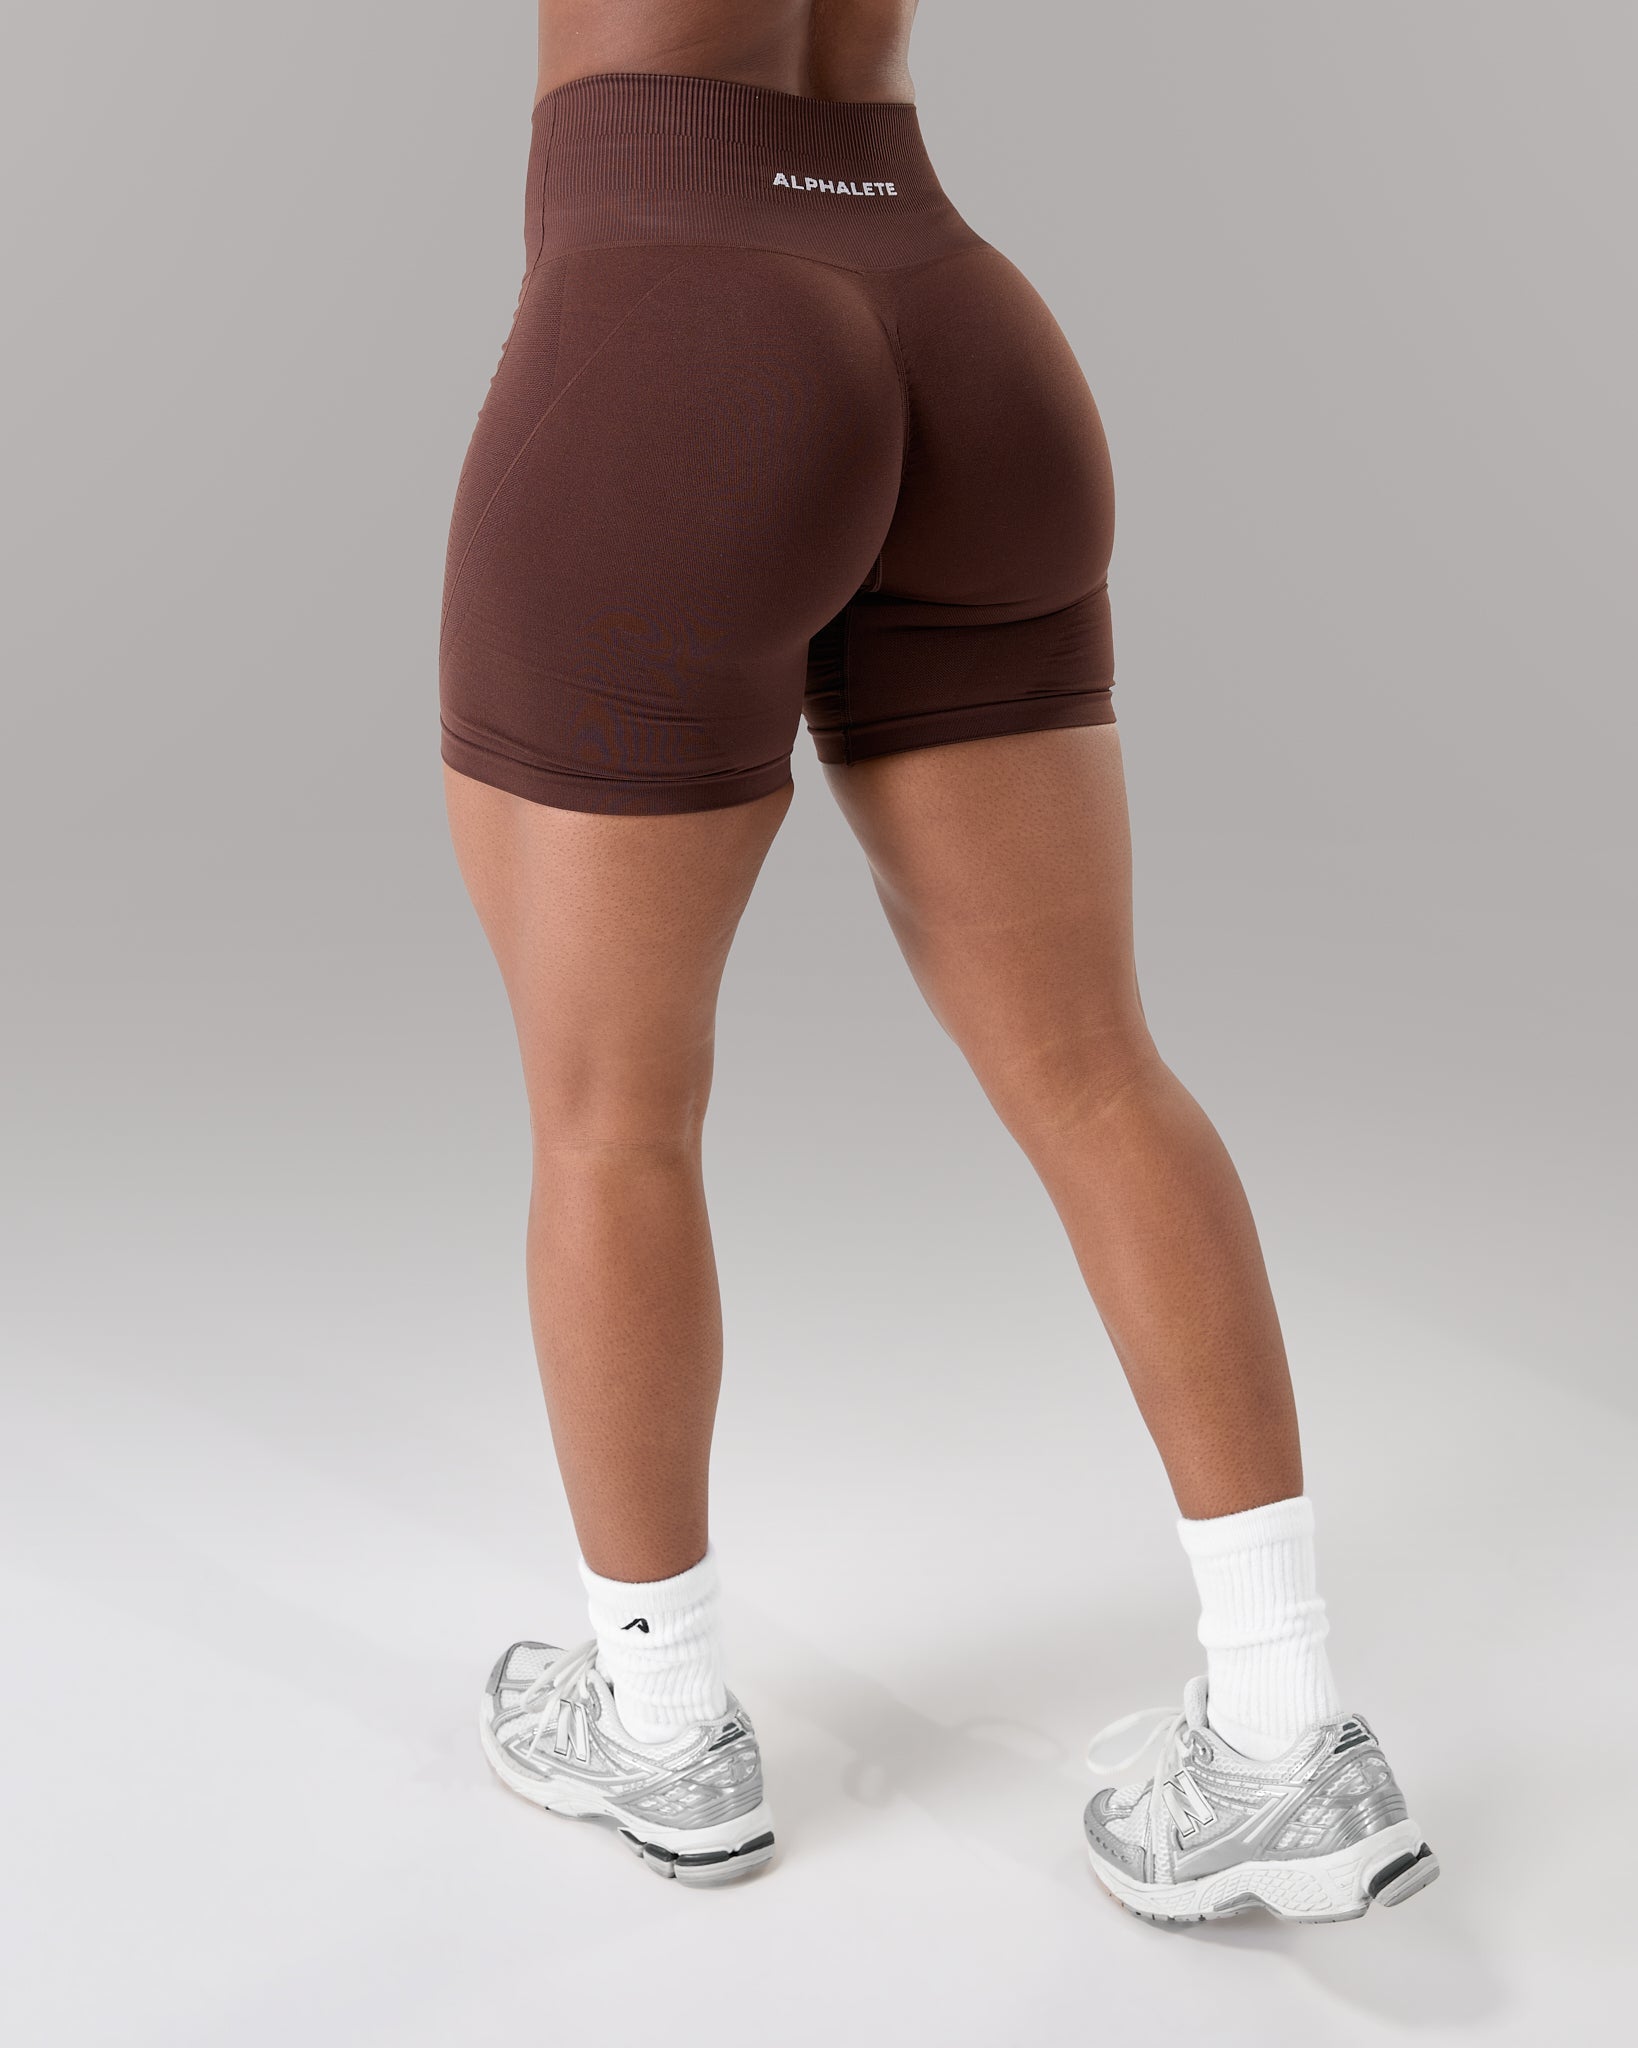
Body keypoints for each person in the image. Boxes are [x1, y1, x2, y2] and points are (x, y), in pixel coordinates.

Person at [439, 0, 1436, 1917]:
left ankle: (655, 1717)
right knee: (1097, 1069)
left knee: (611, 1114)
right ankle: (1285, 1736)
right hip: (957, 314)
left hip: (669, 331)